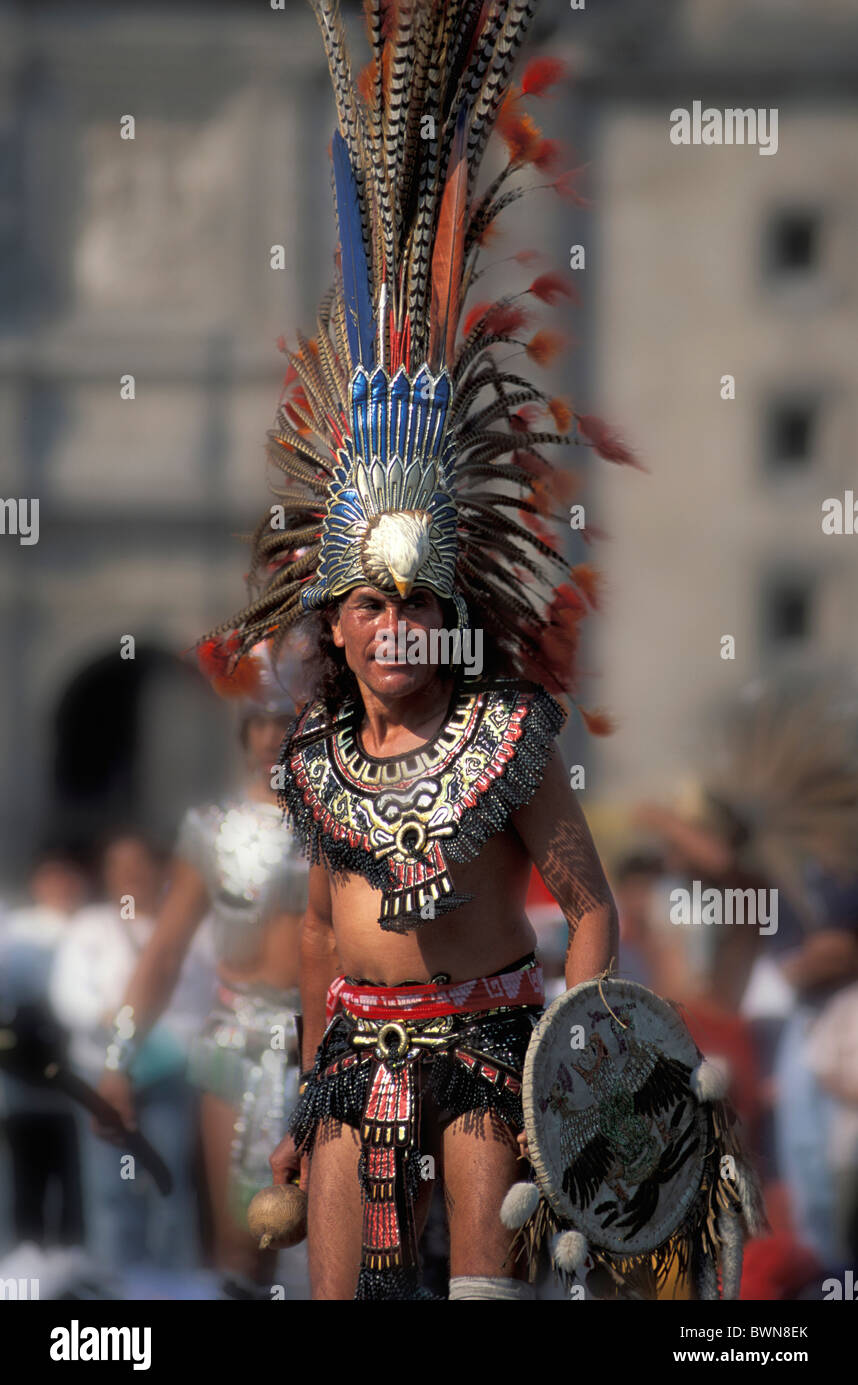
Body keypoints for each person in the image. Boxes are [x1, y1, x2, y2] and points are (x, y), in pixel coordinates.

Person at [201, 2, 634, 1300]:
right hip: (346, 1079)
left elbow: (593, 906)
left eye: (413, 599)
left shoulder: (509, 738)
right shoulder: (316, 760)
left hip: (486, 1062)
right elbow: (327, 942)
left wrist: (575, 1063)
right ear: (333, 620)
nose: (394, 625)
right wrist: (296, 1082)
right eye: (369, 603)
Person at [95, 664, 309, 1295]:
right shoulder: (212, 830)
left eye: (288, 720)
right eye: (262, 719)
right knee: (247, 1245)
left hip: (337, 1044)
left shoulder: (347, 820)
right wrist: (117, 1059)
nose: (274, 734)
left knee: (346, 1248)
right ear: (243, 730)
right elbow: (161, 955)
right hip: (240, 1051)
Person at [50, 832, 212, 1275]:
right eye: (120, 868)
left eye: (139, 866)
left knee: (168, 1178)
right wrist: (115, 1018)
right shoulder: (90, 926)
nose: (131, 877)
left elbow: (205, 1003)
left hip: (170, 1074)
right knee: (110, 1185)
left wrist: (160, 1034)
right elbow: (67, 996)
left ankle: (169, 1283)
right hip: (97, 1072)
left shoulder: (192, 932)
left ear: (160, 871)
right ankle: (116, 1280)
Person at [0, 849, 88, 1249]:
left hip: (81, 1074)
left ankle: (75, 1261)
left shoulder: (96, 928)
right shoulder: (15, 932)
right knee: (28, 1172)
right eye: (51, 878)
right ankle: (29, 1259)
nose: (60, 888)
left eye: (68, 877)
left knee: (79, 1176)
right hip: (25, 1076)